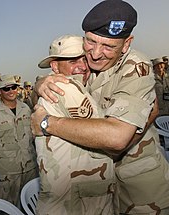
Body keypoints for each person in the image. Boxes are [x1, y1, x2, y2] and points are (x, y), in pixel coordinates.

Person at [31, 1, 169, 214]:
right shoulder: (90, 67)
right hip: (103, 192)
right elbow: (59, 85)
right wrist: (39, 84)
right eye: (90, 43)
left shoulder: (134, 67)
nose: (94, 54)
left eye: (108, 46)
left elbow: (117, 139)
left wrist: (48, 123)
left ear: (126, 44)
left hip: (141, 192)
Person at [35, 34, 115, 214]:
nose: (82, 66)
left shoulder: (63, 85)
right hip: (75, 201)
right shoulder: (66, 87)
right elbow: (108, 137)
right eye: (72, 61)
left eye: (84, 59)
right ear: (55, 66)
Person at [0, 74, 38, 208]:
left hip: (30, 165)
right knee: (6, 205)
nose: (11, 91)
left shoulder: (25, 108)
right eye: (6, 89)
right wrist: (3, 152)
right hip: (8, 169)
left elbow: (32, 131)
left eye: (14, 87)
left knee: (31, 203)